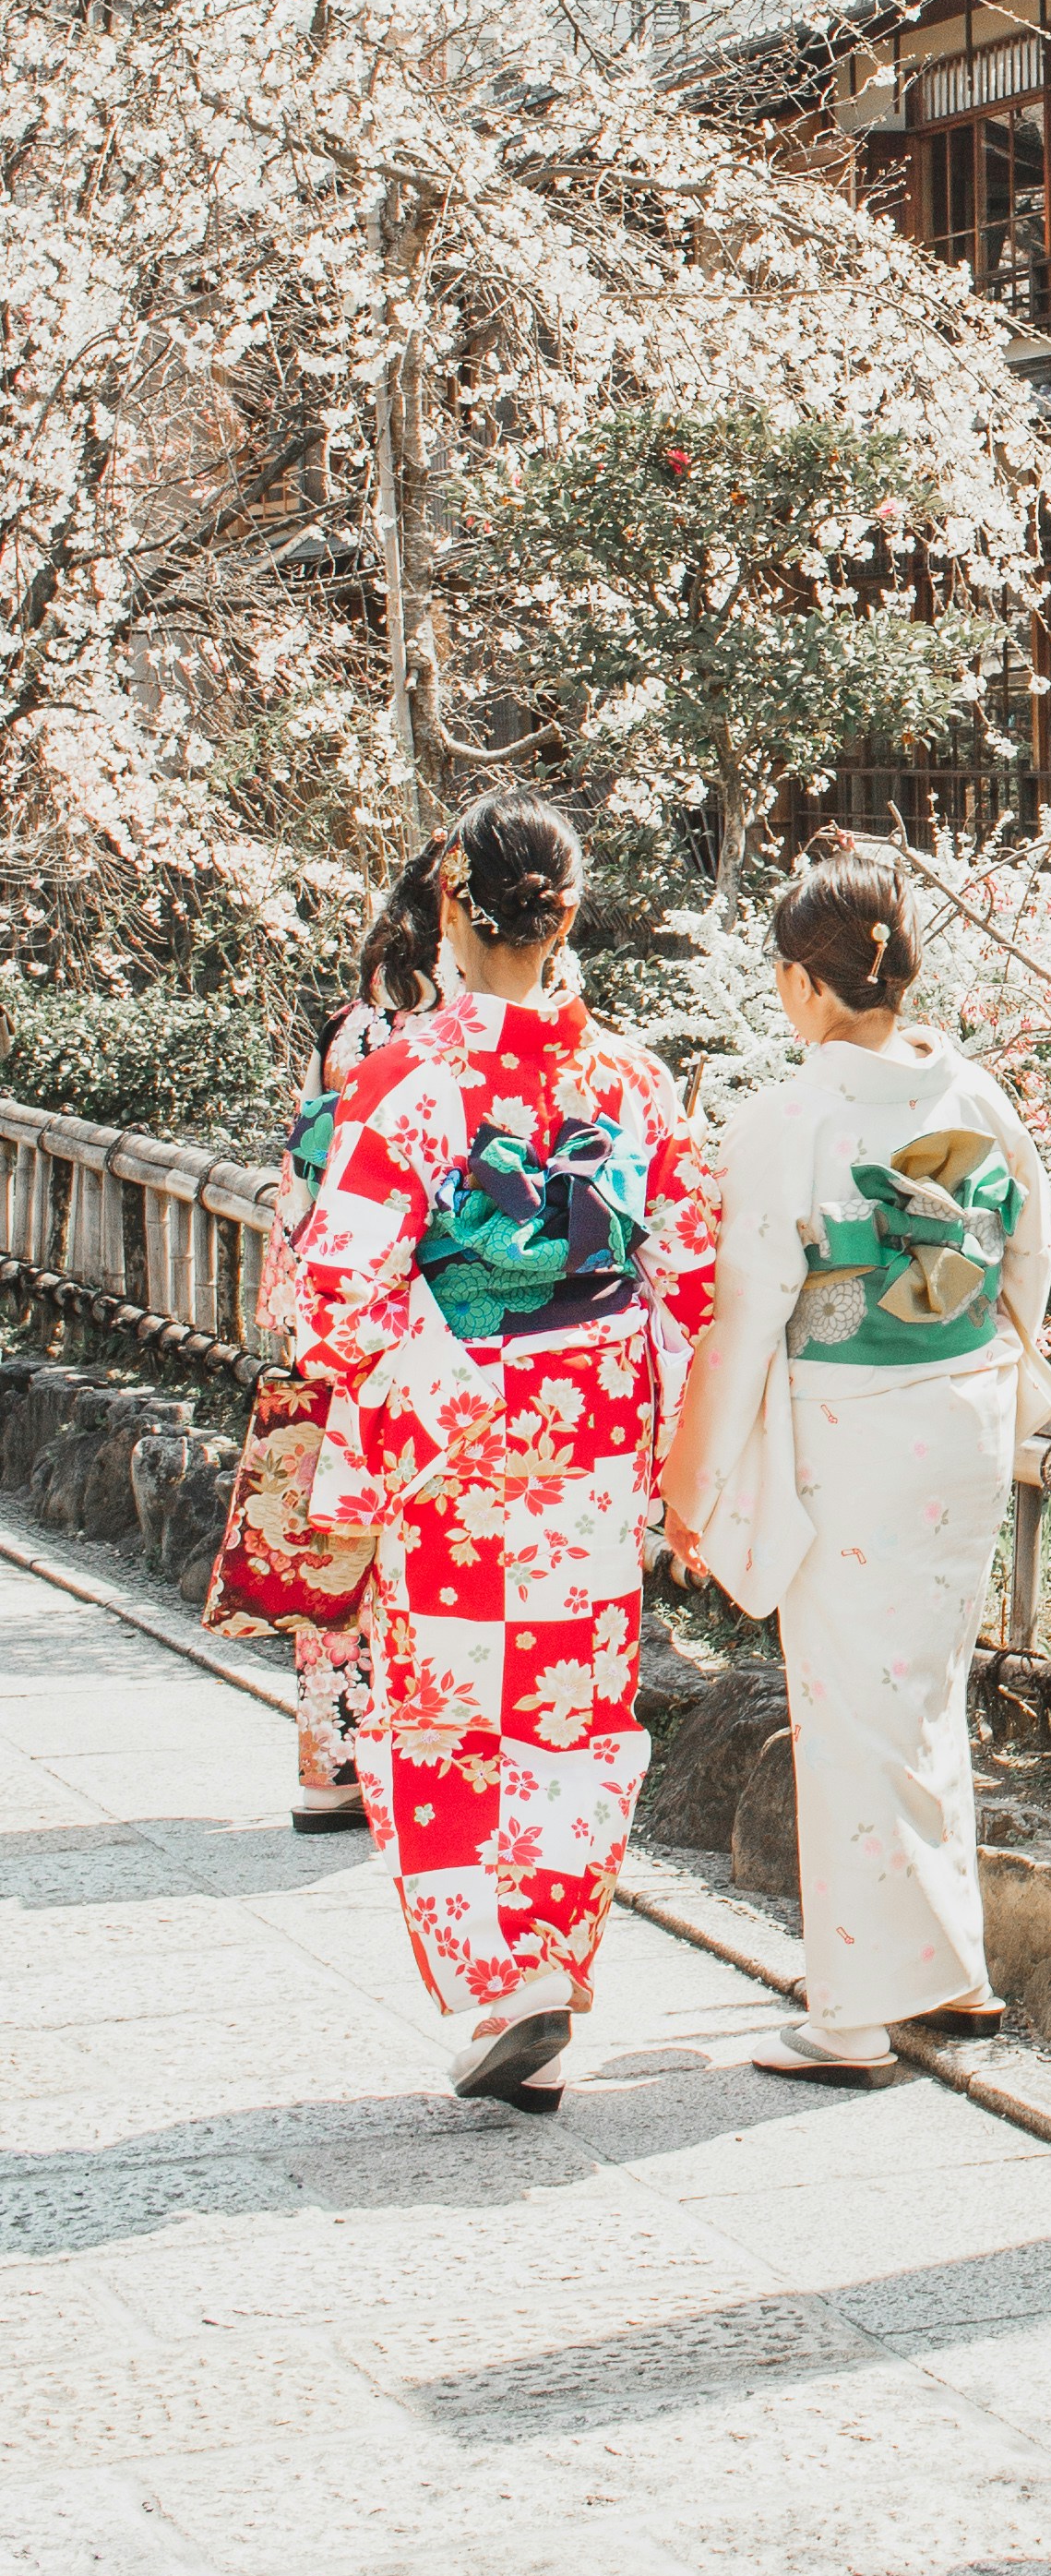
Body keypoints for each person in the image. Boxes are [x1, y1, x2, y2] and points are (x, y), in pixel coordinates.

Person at [287, 793, 715, 2110]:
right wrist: (672, 1456)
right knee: (575, 1713)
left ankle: (495, 1984)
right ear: (567, 915)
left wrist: (441, 1401)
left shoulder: (410, 1078)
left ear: (448, 918)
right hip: (589, 1441)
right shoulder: (628, 1078)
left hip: (457, 1453)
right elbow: (691, 1279)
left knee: (448, 1722)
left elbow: (334, 1292)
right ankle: (554, 1955)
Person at [660, 829, 1051, 2084]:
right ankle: (950, 1973)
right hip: (961, 1415)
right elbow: (1029, 1248)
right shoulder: (972, 1093)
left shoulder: (794, 1118)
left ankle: (849, 2016)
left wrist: (695, 1479)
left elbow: (746, 1318)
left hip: (851, 1427)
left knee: (848, 1713)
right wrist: (987, 1349)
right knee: (923, 1692)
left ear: (805, 985)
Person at [206, 841, 450, 1827]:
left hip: (333, 1308)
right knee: (423, 1542)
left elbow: (304, 1185)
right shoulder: (454, 1039)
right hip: (438, 1321)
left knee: (338, 1539)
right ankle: (412, 1762)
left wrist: (300, 1309)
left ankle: (329, 1764)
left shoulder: (347, 1028)